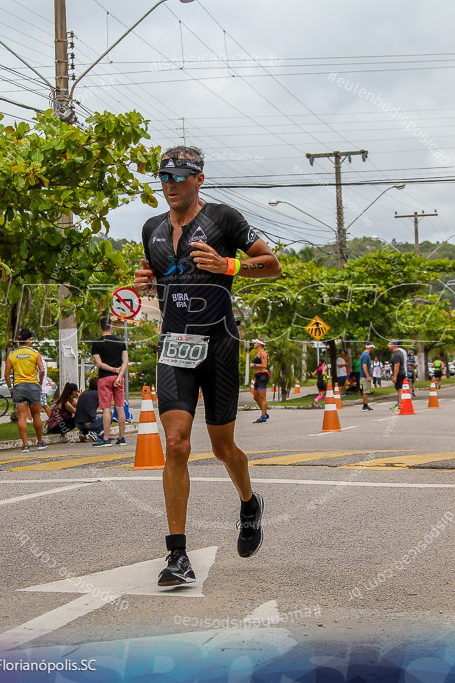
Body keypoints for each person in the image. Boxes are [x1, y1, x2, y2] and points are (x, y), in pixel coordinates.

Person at [133, 145, 281, 586]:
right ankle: (176, 554)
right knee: (175, 443)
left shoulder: (224, 218)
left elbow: (272, 265)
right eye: (164, 176)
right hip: (174, 345)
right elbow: (156, 276)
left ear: (199, 178)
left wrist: (227, 264)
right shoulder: (151, 228)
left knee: (222, 449)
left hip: (218, 343)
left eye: (180, 176)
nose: (171, 184)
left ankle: (249, 503)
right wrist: (146, 282)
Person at [5, 329, 47, 453]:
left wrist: (10, 388)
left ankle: (25, 445)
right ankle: (40, 442)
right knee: (36, 415)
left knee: (22, 416)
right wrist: (39, 383)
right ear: (28, 340)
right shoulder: (35, 353)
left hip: (19, 387)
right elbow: (42, 370)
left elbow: (6, 374)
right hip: (33, 386)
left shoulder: (12, 354)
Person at [91, 316, 129, 446]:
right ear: (111, 327)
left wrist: (112, 370)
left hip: (104, 378)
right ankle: (122, 437)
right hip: (119, 378)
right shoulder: (120, 342)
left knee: (106, 408)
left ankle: (106, 439)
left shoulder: (96, 343)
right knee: (120, 406)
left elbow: (99, 363)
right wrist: (119, 376)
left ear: (100, 327)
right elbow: (125, 361)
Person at [250, 338, 270, 423]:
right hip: (258, 377)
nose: (254, 344)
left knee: (262, 398)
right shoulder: (258, 353)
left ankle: (263, 418)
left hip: (262, 376)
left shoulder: (263, 353)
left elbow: (264, 365)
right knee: (255, 397)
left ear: (259, 344)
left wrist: (254, 365)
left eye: (255, 343)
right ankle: (265, 412)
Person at [388, 340, 408, 410]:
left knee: (399, 389)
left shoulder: (396, 354)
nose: (388, 346)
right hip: (400, 373)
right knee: (398, 388)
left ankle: (400, 404)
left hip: (399, 374)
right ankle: (400, 402)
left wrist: (395, 376)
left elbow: (397, 365)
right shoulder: (398, 353)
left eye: (389, 344)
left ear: (393, 345)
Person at [360, 342, 374, 411]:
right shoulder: (365, 355)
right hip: (364, 376)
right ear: (370, 347)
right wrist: (368, 376)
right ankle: (365, 405)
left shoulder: (365, 354)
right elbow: (364, 366)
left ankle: (365, 404)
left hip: (364, 375)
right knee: (366, 391)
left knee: (366, 390)